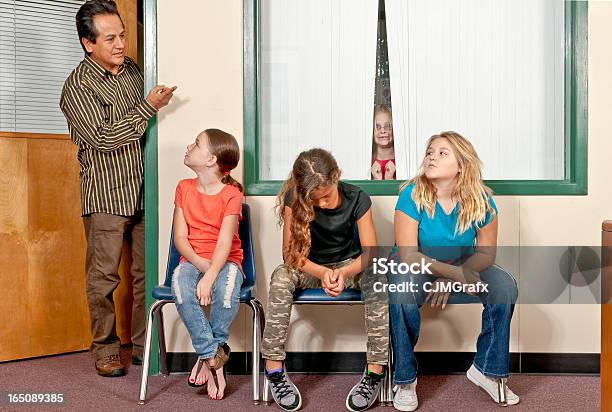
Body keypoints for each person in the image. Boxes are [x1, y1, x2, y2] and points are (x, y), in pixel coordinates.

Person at [60, 0, 176, 377]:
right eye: (110, 38)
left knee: (145, 274)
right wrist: (148, 107)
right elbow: (104, 137)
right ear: (88, 43)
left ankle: (143, 347)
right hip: (107, 195)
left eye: (122, 35)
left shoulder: (131, 71)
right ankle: (106, 349)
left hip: (143, 190)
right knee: (103, 278)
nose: (120, 44)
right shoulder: (77, 87)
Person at [390, 131, 519, 411]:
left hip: (463, 264)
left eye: (442, 153)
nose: (431, 157)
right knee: (401, 288)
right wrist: (452, 276)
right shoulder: (411, 194)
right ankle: (404, 379)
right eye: (430, 152)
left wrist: (455, 274)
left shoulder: (481, 201)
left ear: (461, 165)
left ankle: (487, 370)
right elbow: (409, 256)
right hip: (415, 265)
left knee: (504, 287)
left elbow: (486, 254)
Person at [261, 148, 389, 412]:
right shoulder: (293, 198)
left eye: (327, 196)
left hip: (349, 267)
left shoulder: (358, 198)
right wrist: (322, 273)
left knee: (378, 276)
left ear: (337, 176)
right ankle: (274, 369)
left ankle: (375, 371)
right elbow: (290, 255)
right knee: (280, 277)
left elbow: (371, 253)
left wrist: (342, 273)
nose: (322, 204)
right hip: (309, 268)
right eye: (315, 200)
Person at [172, 129, 244, 400]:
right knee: (180, 287)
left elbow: (226, 243)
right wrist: (202, 266)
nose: (189, 145)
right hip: (193, 259)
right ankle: (214, 357)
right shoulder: (183, 187)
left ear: (211, 159)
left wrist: (211, 274)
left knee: (226, 294)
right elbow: (180, 238)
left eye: (197, 143)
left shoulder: (232, 194)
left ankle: (205, 357)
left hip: (226, 262)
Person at [371, 105, 396, 180]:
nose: (382, 131)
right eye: (378, 127)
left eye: (387, 126)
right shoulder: (368, 162)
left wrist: (390, 179)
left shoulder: (403, 163)